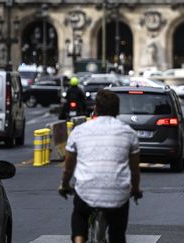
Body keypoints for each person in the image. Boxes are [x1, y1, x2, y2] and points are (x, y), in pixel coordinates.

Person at [58, 89, 142, 243]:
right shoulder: (129, 133)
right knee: (117, 233)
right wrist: (136, 189)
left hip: (86, 191)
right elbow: (135, 170)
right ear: (117, 110)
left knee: (80, 215)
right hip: (117, 194)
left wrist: (64, 185)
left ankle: (79, 239)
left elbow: (68, 166)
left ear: (95, 108)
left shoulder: (79, 131)